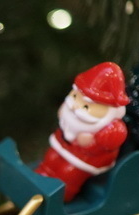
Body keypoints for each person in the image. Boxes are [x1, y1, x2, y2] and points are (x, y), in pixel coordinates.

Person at [34, 62, 129, 202]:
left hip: (84, 160)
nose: (75, 107)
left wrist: (93, 142)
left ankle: (60, 196)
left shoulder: (112, 127)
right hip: (62, 146)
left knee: (69, 172)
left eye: (85, 106)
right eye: (74, 97)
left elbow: (111, 142)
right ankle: (39, 179)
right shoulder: (72, 112)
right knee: (51, 157)